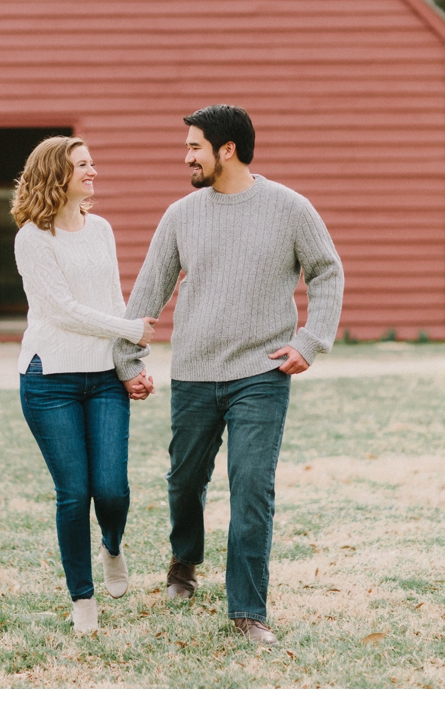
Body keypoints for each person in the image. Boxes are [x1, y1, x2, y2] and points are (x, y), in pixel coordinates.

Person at [114, 104, 344, 646]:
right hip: (194, 371)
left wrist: (311, 341)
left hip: (260, 373)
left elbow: (327, 270)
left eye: (194, 146)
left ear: (227, 150)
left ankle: (247, 610)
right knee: (184, 480)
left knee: (251, 486)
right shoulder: (180, 215)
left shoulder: (290, 208)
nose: (186, 155)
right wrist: (129, 360)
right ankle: (185, 559)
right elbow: (149, 291)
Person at [12, 136, 159, 635]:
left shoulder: (100, 230)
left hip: (104, 380)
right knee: (74, 493)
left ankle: (112, 545)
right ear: (58, 174)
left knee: (112, 489)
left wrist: (129, 364)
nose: (93, 171)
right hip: (48, 380)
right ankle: (83, 598)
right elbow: (62, 312)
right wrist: (131, 329)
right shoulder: (33, 237)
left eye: (92, 163)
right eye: (82, 165)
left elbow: (112, 299)